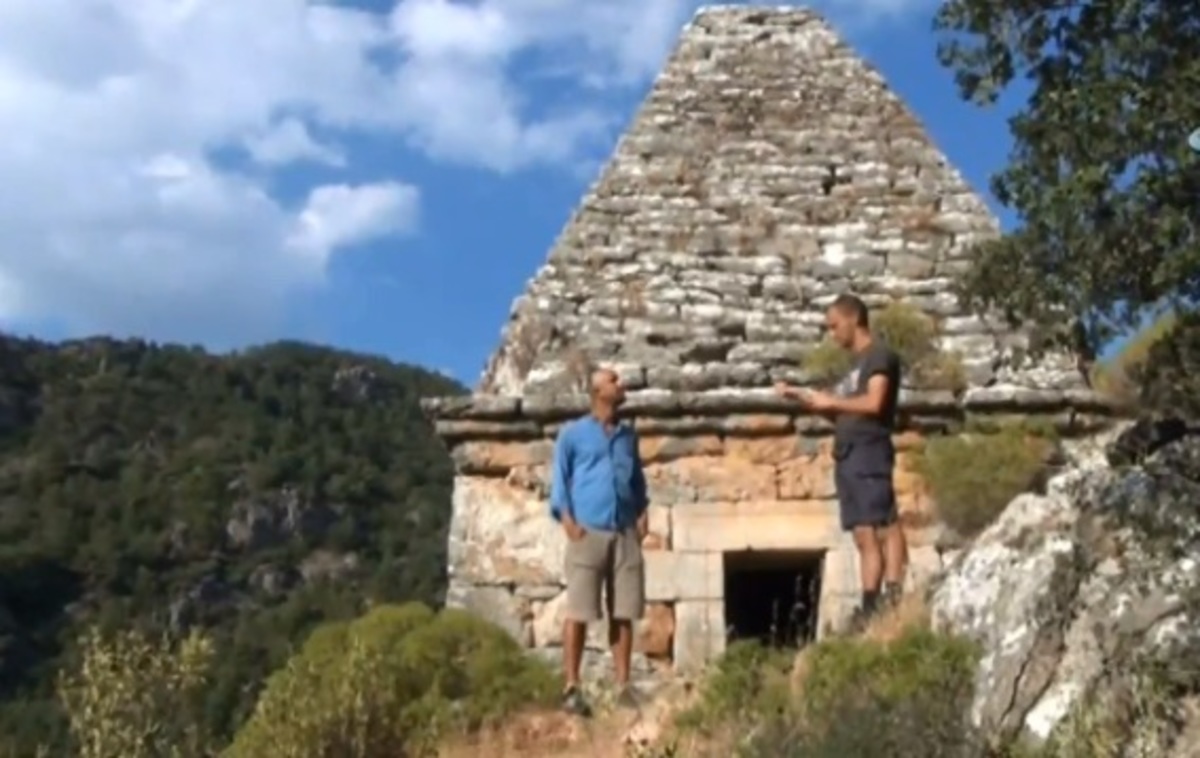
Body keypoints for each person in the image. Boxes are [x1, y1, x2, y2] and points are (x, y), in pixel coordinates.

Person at [774, 294, 908, 629]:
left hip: (869, 450)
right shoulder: (852, 366)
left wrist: (831, 400)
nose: (832, 334)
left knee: (883, 522)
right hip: (848, 452)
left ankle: (889, 595)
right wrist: (808, 400)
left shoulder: (879, 356)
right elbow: (847, 411)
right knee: (862, 531)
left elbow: (875, 403)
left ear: (853, 318)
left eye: (834, 326)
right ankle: (871, 603)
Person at [549, 367, 649, 715]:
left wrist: (642, 512)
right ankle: (572, 686)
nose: (621, 384)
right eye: (613, 380)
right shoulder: (573, 435)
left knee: (624, 611)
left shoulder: (627, 437)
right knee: (579, 610)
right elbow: (560, 483)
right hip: (587, 531)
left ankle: (623, 686)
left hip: (624, 532)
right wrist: (568, 521)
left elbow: (637, 480)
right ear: (596, 390)